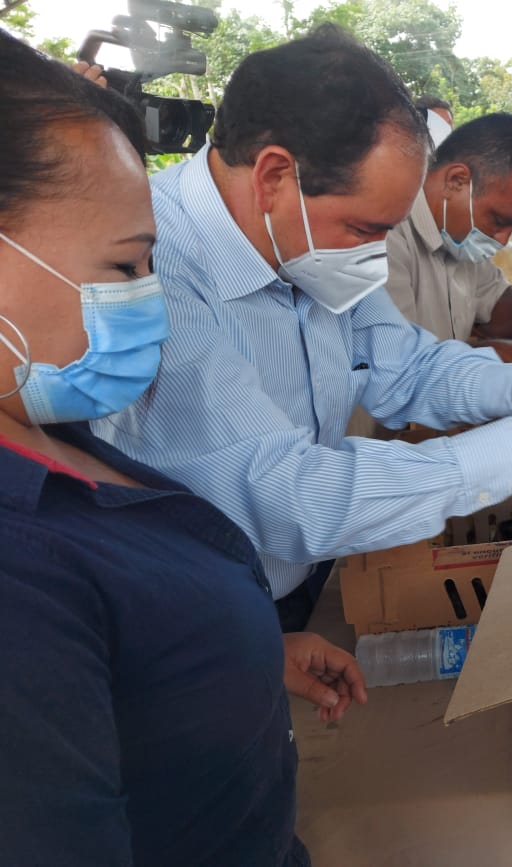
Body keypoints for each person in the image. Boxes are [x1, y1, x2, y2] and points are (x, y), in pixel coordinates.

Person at [92, 26, 512, 632]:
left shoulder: (304, 241)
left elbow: (401, 361)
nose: (376, 254)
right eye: (364, 230)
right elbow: (285, 495)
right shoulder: (150, 263)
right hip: (194, 618)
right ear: (274, 177)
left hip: (293, 584)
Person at [0, 33, 365, 865]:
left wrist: (231, 652)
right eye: (125, 267)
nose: (150, 304)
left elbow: (111, 647)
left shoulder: (45, 422)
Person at [386, 113, 512, 365]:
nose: (502, 240)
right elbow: (394, 362)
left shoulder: (460, 240)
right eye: (498, 220)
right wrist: (486, 359)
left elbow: (494, 296)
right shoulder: (388, 237)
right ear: (456, 180)